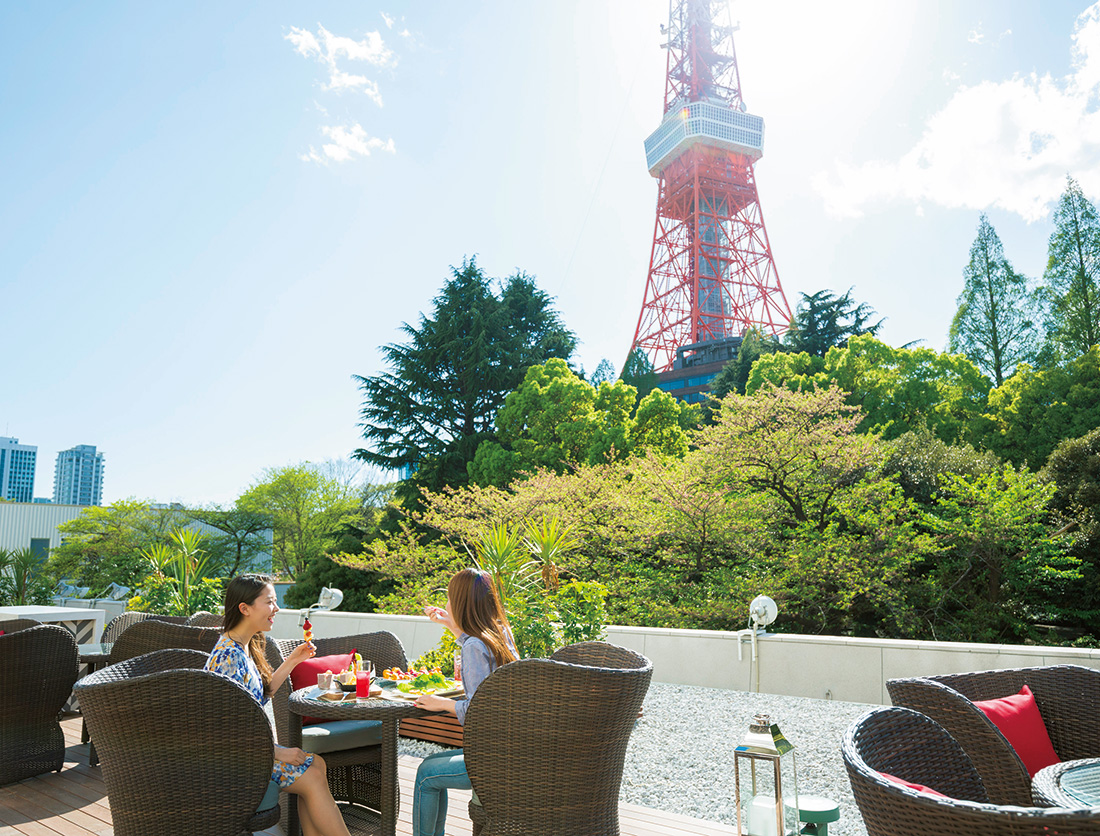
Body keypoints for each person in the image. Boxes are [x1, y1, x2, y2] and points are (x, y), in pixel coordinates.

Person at [205, 573, 352, 836]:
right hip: (236, 760)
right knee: (314, 775)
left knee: (316, 763)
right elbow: (222, 728)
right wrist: (276, 751)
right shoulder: (228, 657)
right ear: (245, 608)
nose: (277, 608)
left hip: (251, 751)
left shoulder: (245, 646)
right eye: (270, 602)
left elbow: (259, 695)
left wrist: (293, 660)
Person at [411, 568, 519, 836]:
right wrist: (452, 625)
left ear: (461, 603)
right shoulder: (501, 632)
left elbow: (478, 711)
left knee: (426, 775)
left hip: (492, 760)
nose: (446, 604)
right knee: (432, 766)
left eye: (450, 598)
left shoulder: (473, 647)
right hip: (513, 749)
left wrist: (443, 704)